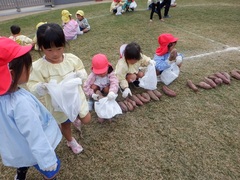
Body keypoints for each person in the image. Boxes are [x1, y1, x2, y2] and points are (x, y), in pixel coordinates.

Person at [0, 37, 62, 180]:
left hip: (16, 146)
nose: (30, 69)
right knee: (51, 170)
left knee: (23, 158)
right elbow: (35, 135)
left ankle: (21, 174)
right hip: (35, 150)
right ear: (12, 74)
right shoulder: (20, 104)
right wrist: (48, 160)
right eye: (27, 67)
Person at [27, 23, 91, 154]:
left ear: (64, 44)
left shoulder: (71, 59)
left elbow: (81, 69)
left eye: (59, 48)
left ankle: (75, 118)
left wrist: (80, 75)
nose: (55, 54)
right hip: (58, 105)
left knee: (87, 119)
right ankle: (70, 140)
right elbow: (31, 85)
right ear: (41, 48)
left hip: (76, 98)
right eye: (49, 50)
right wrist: (40, 87)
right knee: (65, 124)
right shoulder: (39, 66)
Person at [83, 54, 119, 122]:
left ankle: (107, 98)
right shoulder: (93, 75)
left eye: (103, 72)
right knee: (93, 87)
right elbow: (86, 85)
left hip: (106, 87)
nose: (102, 74)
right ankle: (91, 100)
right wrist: (92, 94)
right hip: (97, 89)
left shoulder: (110, 73)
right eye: (99, 73)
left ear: (107, 67)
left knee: (107, 89)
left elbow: (115, 82)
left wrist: (112, 92)